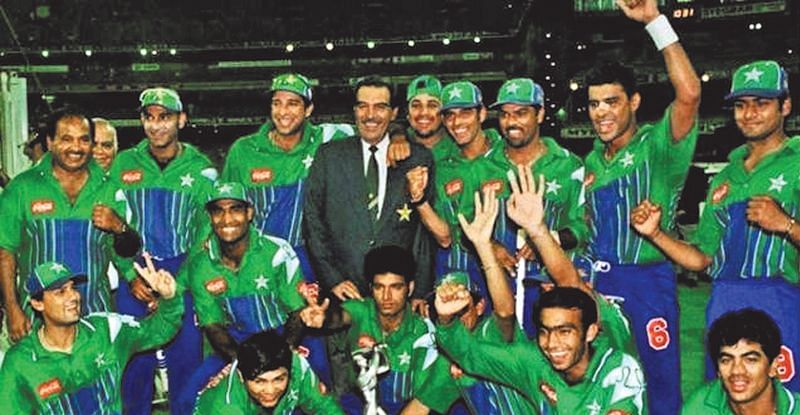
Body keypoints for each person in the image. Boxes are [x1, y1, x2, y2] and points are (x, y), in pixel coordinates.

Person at [631, 60, 800, 390]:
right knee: (723, 397)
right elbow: (702, 259)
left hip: (779, 299)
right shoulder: (725, 177)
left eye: (761, 103)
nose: (749, 114)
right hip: (723, 299)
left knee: (783, 399)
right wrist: (655, 234)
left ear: (786, 106)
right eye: (741, 105)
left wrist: (787, 224)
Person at [434, 165, 645, 414]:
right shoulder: (537, 357)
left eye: (565, 331)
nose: (553, 342)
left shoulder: (616, 356)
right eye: (546, 331)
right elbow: (473, 351)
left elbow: (571, 285)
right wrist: (447, 318)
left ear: (590, 331)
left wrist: (537, 230)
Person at [581, 1, 701, 412]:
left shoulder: (658, 146)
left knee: (659, 384)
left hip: (648, 284)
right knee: (608, 383)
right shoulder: (593, 161)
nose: (601, 112)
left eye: (611, 102)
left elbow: (689, 94)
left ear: (633, 102)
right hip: (599, 284)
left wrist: (656, 22)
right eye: (594, 104)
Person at [107, 87, 217, 414]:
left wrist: (177, 285)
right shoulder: (122, 164)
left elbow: (205, 235)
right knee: (134, 368)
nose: (157, 126)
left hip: (181, 273)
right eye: (149, 118)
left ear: (181, 120)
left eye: (165, 118)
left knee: (185, 367)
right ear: (141, 121)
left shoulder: (202, 170)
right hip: (136, 276)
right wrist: (130, 275)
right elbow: (112, 228)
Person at [175, 182, 326, 413]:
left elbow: (297, 313)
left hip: (285, 335)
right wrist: (244, 364)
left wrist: (277, 360)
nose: (227, 219)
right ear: (210, 217)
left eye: (235, 209)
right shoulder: (200, 265)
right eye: (218, 211)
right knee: (189, 398)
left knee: (320, 390)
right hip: (238, 343)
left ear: (249, 213)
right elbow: (213, 326)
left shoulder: (276, 251)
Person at [0, 109, 139, 343]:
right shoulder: (22, 188)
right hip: (38, 316)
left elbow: (125, 252)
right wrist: (13, 309)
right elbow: (6, 253)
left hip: (95, 313)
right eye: (66, 139)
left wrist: (120, 228)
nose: (76, 147)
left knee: (98, 379)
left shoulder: (109, 189)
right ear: (50, 142)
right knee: (43, 380)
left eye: (84, 139)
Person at [303, 75, 434, 304]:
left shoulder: (417, 158)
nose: (370, 115)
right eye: (363, 106)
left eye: (380, 107)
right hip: (344, 298)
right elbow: (313, 222)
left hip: (399, 299)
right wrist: (332, 279)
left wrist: (421, 290)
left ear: (393, 113)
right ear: (354, 111)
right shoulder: (328, 156)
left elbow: (423, 234)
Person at [0, 258, 183, 414]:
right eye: (60, 292)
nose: (73, 296)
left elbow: (157, 332)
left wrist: (170, 298)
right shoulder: (20, 363)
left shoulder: (107, 330)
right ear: (37, 304)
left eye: (73, 288)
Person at [299, 245, 440, 414]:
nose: (386, 297)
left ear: (409, 288)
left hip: (404, 408)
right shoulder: (362, 310)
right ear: (371, 287)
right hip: (356, 404)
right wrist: (324, 318)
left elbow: (422, 401)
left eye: (396, 287)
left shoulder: (423, 331)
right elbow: (339, 316)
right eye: (379, 287)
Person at [193, 330, 345, 414]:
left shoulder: (297, 364)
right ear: (241, 376)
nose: (270, 390)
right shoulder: (225, 407)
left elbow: (325, 406)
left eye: (279, 379)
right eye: (259, 382)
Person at [682, 309, 800, 415]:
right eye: (726, 360)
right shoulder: (699, 407)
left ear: (773, 366)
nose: (737, 370)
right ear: (718, 371)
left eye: (750, 360)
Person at [404, 74, 458, 162]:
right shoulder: (394, 143)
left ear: (443, 113)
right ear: (408, 113)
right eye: (416, 106)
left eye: (432, 105)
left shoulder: (459, 145)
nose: (424, 112)